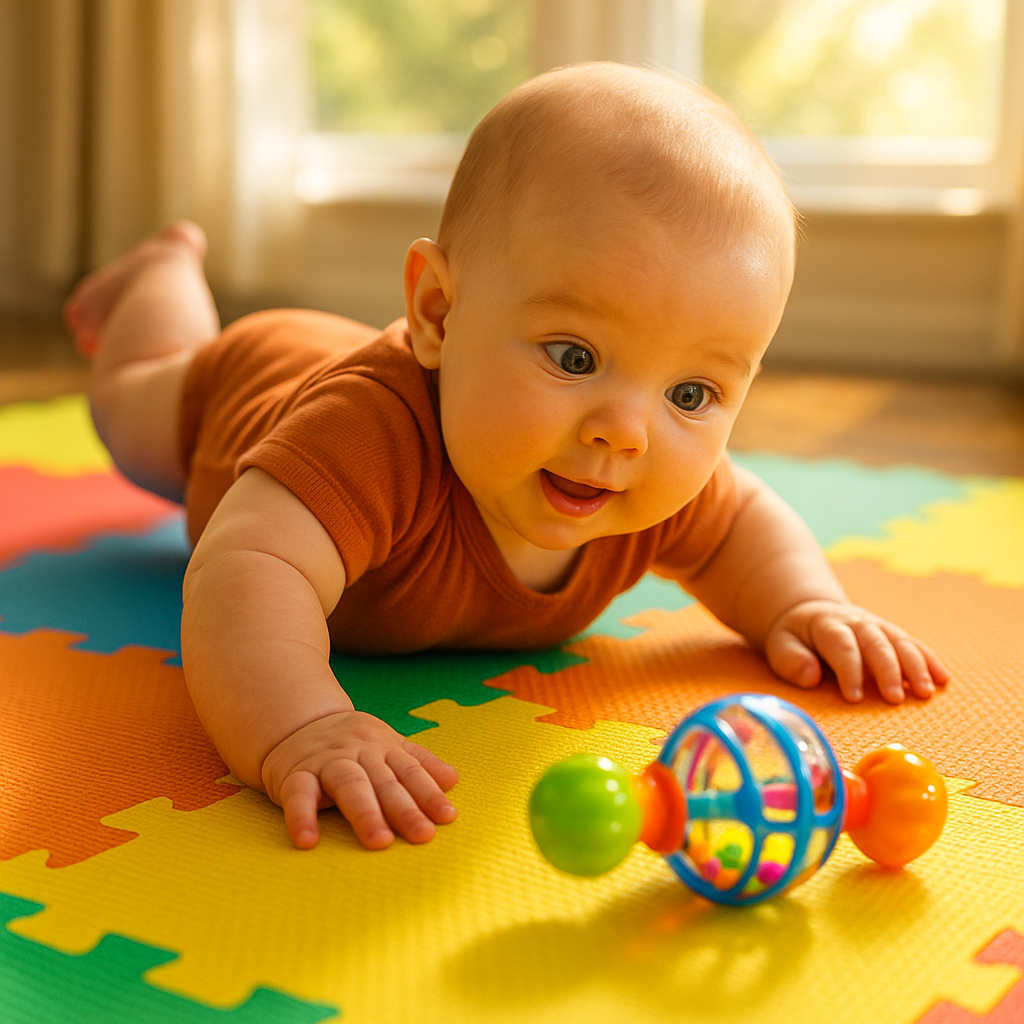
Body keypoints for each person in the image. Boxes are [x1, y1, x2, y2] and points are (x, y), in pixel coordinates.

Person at [63, 62, 949, 855]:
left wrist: (804, 603)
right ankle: (161, 274)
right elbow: (242, 567)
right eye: (574, 357)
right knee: (129, 401)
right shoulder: (366, 438)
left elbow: (740, 522)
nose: (625, 431)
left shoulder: (645, 472)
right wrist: (303, 726)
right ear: (439, 315)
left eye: (692, 394)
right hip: (246, 388)